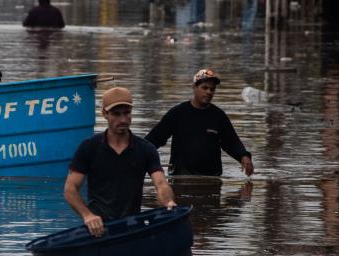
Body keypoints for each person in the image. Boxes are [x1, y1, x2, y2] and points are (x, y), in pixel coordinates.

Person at [64, 87, 176, 237]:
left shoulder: (145, 149)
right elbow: (70, 189)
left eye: (126, 113)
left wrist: (168, 202)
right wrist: (88, 216)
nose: (123, 120)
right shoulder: (89, 147)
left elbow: (161, 184)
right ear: (104, 113)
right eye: (116, 114)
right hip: (97, 229)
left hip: (131, 227)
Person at [145, 69, 254, 177]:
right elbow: (155, 138)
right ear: (194, 87)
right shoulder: (178, 113)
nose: (209, 92)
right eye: (205, 88)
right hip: (180, 179)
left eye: (212, 89)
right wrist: (136, 154)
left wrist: (244, 156)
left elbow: (231, 142)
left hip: (211, 179)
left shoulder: (219, 116)